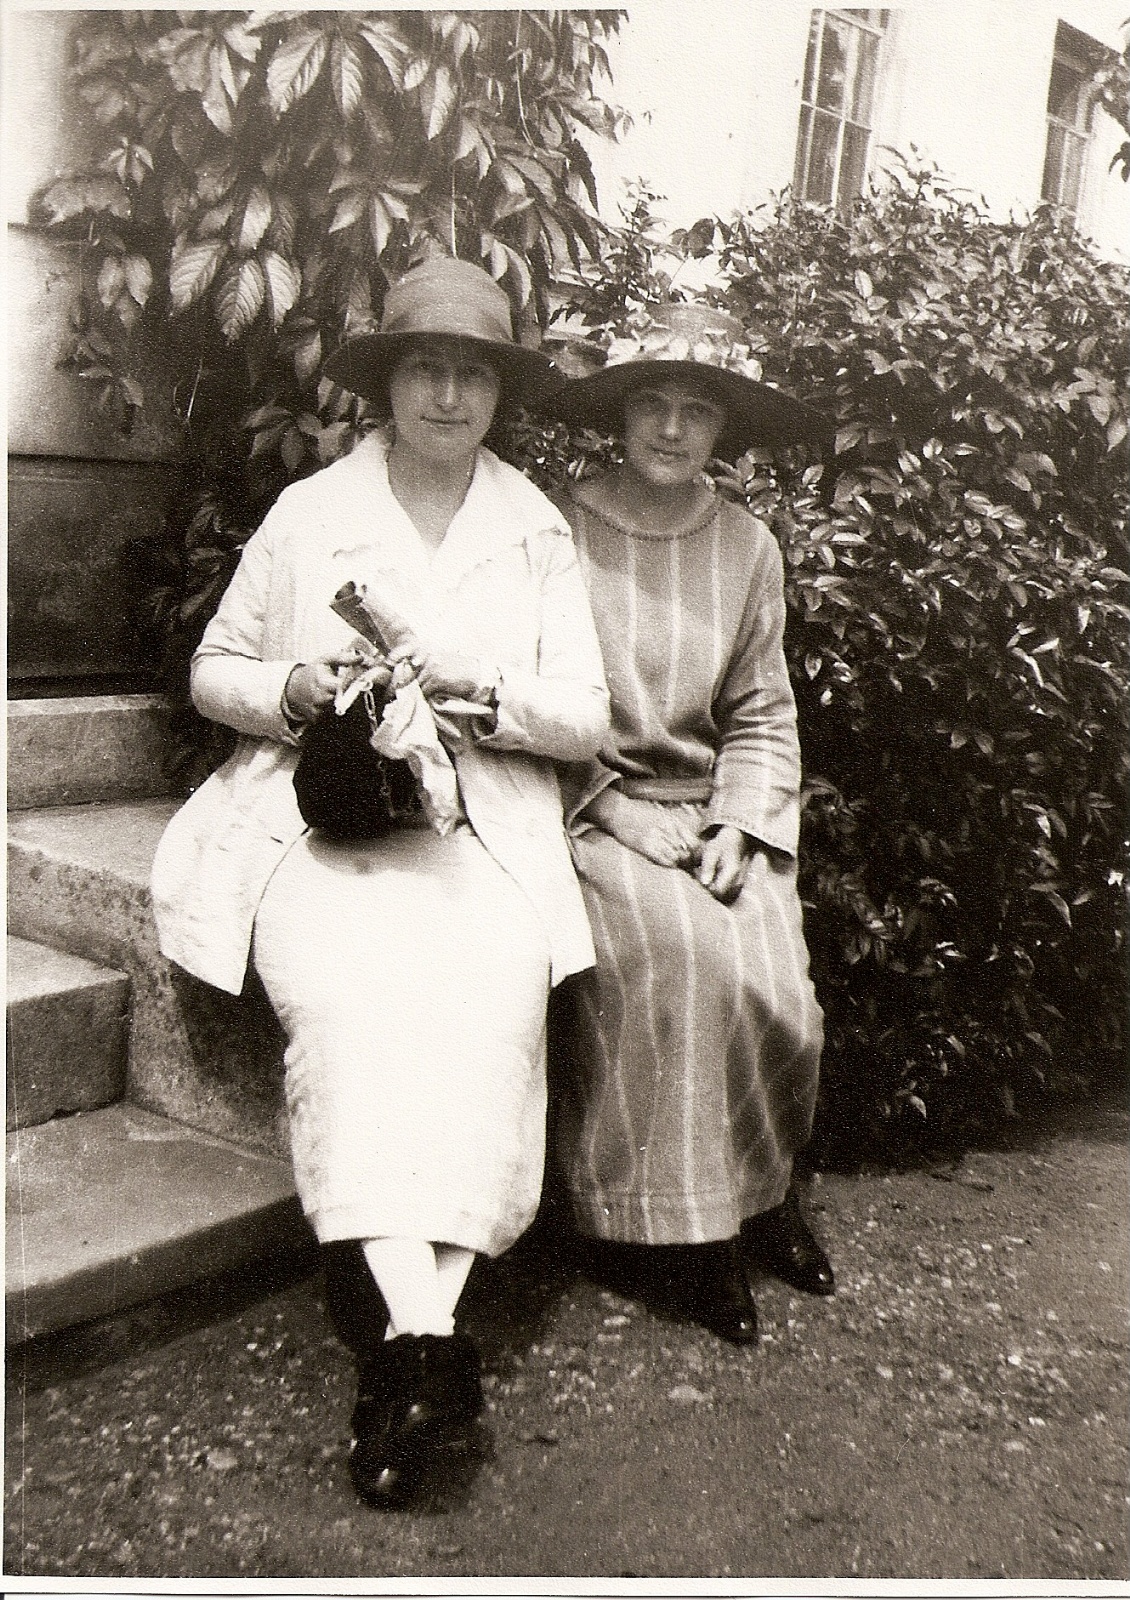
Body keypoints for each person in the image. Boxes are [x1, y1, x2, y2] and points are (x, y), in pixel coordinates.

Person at [151, 256, 609, 1508]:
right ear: (387, 383)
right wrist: (290, 688)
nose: (447, 395)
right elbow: (212, 670)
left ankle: (411, 1348)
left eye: (471, 374)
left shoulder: (533, 529)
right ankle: (428, 1345)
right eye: (425, 369)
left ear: (497, 394)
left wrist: (487, 692)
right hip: (329, 824)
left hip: (480, 829)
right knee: (352, 1001)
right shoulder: (311, 512)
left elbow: (586, 715)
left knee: (490, 997)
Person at [548, 303, 834, 1345]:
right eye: (652, 403)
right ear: (620, 414)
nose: (671, 429)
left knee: (775, 980)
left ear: (724, 430)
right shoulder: (555, 530)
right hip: (586, 808)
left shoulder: (746, 546)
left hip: (706, 816)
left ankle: (763, 1194)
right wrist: (614, 809)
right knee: (677, 957)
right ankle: (673, 1237)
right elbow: (522, 702)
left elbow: (760, 712)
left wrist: (737, 826)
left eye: (698, 411)